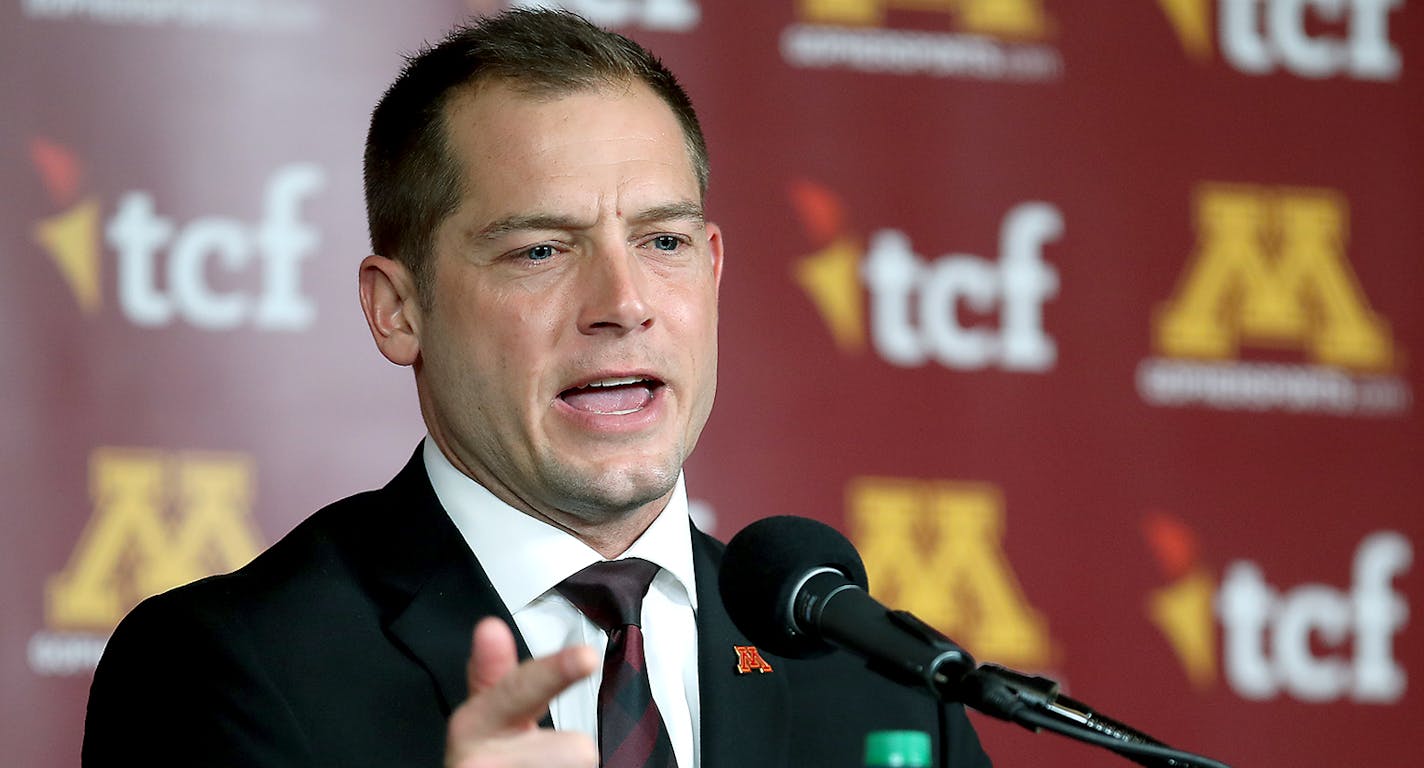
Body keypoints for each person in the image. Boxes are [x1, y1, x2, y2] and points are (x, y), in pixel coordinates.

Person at [82, 9, 992, 767]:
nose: (623, 303)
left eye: (663, 241)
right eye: (540, 251)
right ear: (398, 309)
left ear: (712, 273)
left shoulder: (883, 680)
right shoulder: (225, 668)